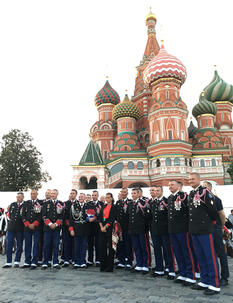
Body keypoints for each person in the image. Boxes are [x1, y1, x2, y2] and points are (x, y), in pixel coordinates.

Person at [188, 173, 220, 295]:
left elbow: (213, 210)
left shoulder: (205, 192)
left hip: (204, 229)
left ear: (199, 180)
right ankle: (205, 280)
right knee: (200, 256)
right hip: (194, 229)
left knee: (209, 256)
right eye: (189, 179)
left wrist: (210, 223)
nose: (190, 181)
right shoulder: (191, 193)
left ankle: (214, 284)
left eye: (193, 179)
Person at [167, 180, 196, 286]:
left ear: (179, 186)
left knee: (186, 252)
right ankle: (182, 273)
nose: (170, 186)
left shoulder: (184, 196)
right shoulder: (170, 197)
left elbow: (189, 212)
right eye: (169, 185)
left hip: (183, 229)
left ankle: (191, 275)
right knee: (178, 252)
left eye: (172, 184)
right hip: (172, 229)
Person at [202, 181, 229, 287]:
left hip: (215, 228)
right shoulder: (201, 199)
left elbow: (222, 214)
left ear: (210, 187)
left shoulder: (216, 199)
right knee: (209, 253)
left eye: (205, 187)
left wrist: (222, 227)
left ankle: (224, 276)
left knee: (221, 253)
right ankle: (212, 274)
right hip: (205, 229)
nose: (202, 189)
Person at [148, 186, 175, 279]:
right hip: (155, 230)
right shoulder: (153, 202)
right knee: (157, 250)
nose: (156, 192)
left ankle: (170, 269)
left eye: (158, 190)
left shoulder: (166, 201)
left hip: (164, 230)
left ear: (162, 191)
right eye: (154, 191)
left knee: (167, 250)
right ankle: (159, 269)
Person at [127, 188, 150, 274]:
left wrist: (145, 228)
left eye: (134, 193)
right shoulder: (130, 204)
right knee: (136, 247)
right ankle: (139, 264)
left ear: (138, 194)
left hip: (141, 229)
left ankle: (145, 265)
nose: (133, 195)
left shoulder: (143, 203)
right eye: (132, 193)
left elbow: (146, 216)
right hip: (133, 229)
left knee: (144, 247)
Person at [41, 189, 64, 270]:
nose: (52, 195)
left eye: (54, 193)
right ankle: (45, 262)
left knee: (56, 246)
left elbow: (62, 216)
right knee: (46, 245)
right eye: (51, 193)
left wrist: (56, 224)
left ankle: (55, 262)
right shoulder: (46, 203)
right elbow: (43, 216)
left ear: (57, 194)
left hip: (57, 228)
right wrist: (50, 224)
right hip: (48, 228)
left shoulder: (61, 203)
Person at [21, 189, 43, 269]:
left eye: (34, 193)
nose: (32, 195)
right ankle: (27, 261)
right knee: (27, 244)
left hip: (36, 227)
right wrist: (27, 224)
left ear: (37, 194)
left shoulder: (40, 203)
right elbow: (23, 215)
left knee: (36, 244)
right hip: (27, 227)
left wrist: (34, 223)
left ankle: (34, 262)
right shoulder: (26, 203)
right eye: (31, 193)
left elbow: (41, 215)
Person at [3, 193, 24, 268]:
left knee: (19, 245)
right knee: (9, 245)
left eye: (19, 197)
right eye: (17, 197)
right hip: (11, 228)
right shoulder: (13, 204)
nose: (18, 198)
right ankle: (8, 262)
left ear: (22, 197)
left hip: (20, 228)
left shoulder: (25, 205)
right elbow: (9, 215)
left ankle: (17, 261)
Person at [69, 193, 89, 269]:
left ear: (85, 198)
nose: (80, 198)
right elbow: (71, 219)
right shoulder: (74, 206)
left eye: (82, 197)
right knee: (76, 246)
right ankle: (76, 262)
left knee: (84, 246)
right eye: (79, 197)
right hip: (76, 228)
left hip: (85, 228)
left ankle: (83, 261)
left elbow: (91, 216)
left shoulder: (88, 206)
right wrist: (71, 229)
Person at [98, 192, 117, 272]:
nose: (107, 199)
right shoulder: (103, 206)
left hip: (110, 229)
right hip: (102, 229)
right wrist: (102, 227)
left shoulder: (114, 207)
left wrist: (106, 226)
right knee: (102, 248)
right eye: (106, 197)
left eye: (109, 197)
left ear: (112, 198)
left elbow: (112, 218)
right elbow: (100, 217)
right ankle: (103, 265)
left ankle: (109, 267)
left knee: (111, 249)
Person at [115, 187, 132, 269]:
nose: (123, 193)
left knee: (128, 244)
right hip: (119, 228)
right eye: (122, 192)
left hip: (127, 227)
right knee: (120, 244)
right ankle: (121, 261)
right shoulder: (118, 202)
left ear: (127, 193)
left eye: (124, 192)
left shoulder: (130, 202)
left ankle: (129, 261)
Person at [86, 190, 104, 266]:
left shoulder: (102, 204)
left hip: (98, 226)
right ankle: (90, 260)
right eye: (92, 195)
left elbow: (103, 215)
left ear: (98, 196)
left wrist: (95, 218)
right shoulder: (87, 204)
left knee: (98, 244)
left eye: (95, 195)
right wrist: (88, 219)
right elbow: (85, 214)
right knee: (90, 244)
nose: (94, 196)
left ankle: (98, 260)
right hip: (89, 226)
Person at [62, 189, 77, 267]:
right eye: (71, 193)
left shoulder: (78, 203)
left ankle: (74, 259)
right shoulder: (65, 203)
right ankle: (66, 260)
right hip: (66, 226)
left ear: (76, 195)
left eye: (73, 193)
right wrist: (67, 222)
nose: (72, 195)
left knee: (74, 244)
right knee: (67, 243)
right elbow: (62, 214)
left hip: (76, 227)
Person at [38, 189, 51, 266]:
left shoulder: (54, 203)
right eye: (46, 193)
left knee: (48, 243)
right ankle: (39, 259)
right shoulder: (41, 202)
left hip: (49, 226)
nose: (47, 194)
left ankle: (48, 259)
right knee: (40, 242)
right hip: (40, 225)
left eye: (49, 193)